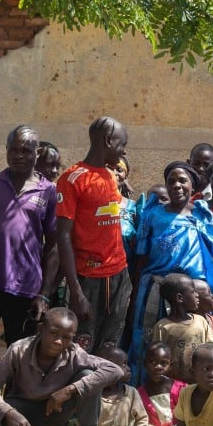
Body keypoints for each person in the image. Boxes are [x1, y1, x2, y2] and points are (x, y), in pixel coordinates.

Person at [129, 161, 213, 382]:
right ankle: (151, 400)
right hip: (154, 292)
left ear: (192, 186)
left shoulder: (201, 214)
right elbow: (142, 259)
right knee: (152, 347)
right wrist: (136, 295)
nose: (177, 185)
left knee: (196, 350)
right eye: (171, 181)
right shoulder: (152, 214)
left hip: (192, 297)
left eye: (182, 180)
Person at [0, 125, 58, 345]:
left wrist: (44, 293)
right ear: (6, 150)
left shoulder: (49, 191)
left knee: (20, 360)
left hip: (26, 289)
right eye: (13, 150)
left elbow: (53, 247)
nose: (19, 155)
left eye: (26, 150)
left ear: (37, 153)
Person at [54, 117, 132, 355]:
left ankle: (104, 394)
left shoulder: (110, 176)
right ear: (108, 140)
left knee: (110, 347)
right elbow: (63, 236)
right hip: (88, 279)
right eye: (122, 144)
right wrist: (75, 291)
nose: (124, 151)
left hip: (119, 276)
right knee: (81, 349)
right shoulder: (72, 179)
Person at [85, 346, 151, 426]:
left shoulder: (132, 393)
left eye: (127, 363)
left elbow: (141, 420)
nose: (128, 368)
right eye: (123, 364)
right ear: (106, 369)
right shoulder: (93, 395)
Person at [153, 273, 213, 383]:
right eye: (193, 292)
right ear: (180, 298)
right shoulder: (163, 327)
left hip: (200, 382)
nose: (197, 295)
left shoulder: (200, 321)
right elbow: (157, 356)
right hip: (173, 385)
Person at [137, 342, 186, 426]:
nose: (157, 367)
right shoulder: (139, 393)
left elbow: (186, 413)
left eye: (163, 363)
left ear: (171, 365)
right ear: (145, 364)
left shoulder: (181, 388)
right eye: (152, 362)